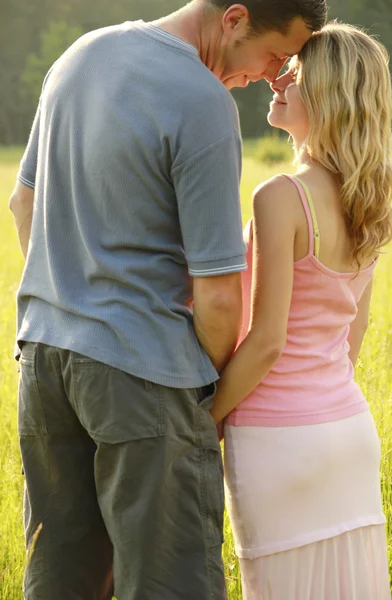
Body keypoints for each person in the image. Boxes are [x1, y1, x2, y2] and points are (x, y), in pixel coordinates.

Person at [8, 1, 327, 599]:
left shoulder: (79, 56)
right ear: (234, 19)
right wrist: (205, 389)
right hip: (145, 378)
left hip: (46, 362)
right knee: (169, 583)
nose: (271, 75)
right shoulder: (204, 103)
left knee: (61, 578)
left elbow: (23, 206)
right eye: (276, 56)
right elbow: (217, 298)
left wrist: (75, 297)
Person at [210, 22, 392, 599]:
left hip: (277, 442)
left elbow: (266, 342)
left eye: (297, 72)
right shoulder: (371, 201)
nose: (279, 79)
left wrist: (201, 422)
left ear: (330, 95)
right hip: (346, 433)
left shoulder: (281, 197)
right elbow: (353, 333)